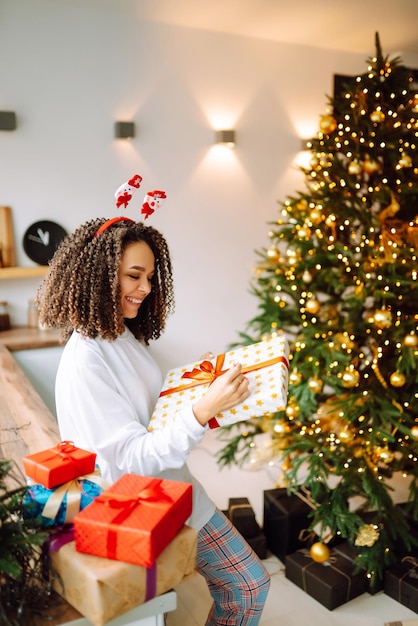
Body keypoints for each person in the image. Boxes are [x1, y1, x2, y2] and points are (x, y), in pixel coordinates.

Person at [36, 214, 271, 625]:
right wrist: (202, 411)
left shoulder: (119, 333)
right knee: (248, 585)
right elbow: (129, 459)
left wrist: (200, 387)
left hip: (171, 490)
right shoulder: (86, 359)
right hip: (140, 504)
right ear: (99, 275)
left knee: (246, 584)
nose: (145, 288)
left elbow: (149, 412)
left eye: (150, 275)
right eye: (133, 275)